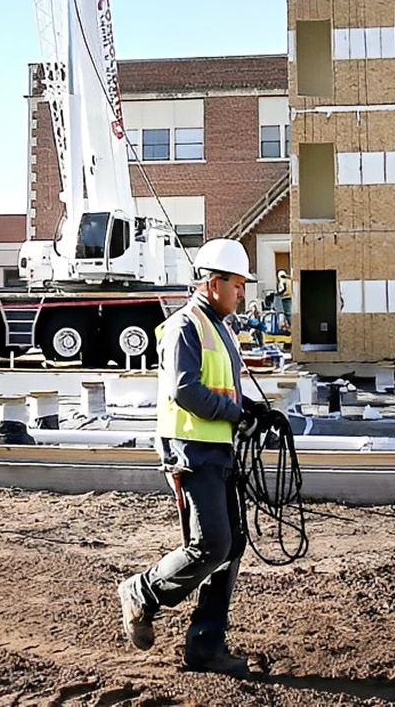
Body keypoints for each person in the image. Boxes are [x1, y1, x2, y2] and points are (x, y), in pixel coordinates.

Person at [118, 238, 271, 675]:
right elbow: (185, 390)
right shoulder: (186, 326)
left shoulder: (219, 327)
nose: (242, 293)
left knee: (232, 544)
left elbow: (224, 390)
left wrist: (251, 411)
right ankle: (142, 593)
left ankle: (205, 647)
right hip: (189, 449)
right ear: (212, 282)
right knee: (211, 544)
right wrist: (234, 411)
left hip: (215, 448)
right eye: (237, 284)